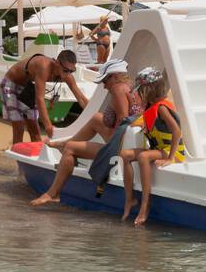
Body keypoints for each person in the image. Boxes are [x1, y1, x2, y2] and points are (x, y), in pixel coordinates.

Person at [30, 58, 135, 206]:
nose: (104, 87)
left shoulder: (117, 90)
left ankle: (53, 193)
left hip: (119, 146)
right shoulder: (129, 86)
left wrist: (111, 147)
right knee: (96, 118)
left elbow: (124, 120)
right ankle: (65, 142)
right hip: (128, 139)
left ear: (115, 76)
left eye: (105, 82)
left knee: (70, 149)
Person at [120, 67, 186, 225]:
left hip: (172, 152)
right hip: (158, 150)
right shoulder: (151, 108)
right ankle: (129, 199)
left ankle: (145, 204)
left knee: (143, 156)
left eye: (141, 90)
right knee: (125, 155)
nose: (139, 94)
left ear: (149, 90)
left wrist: (170, 158)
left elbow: (177, 132)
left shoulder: (162, 108)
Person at [3, 49, 90, 145]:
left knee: (35, 130)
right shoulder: (44, 66)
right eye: (65, 70)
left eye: (72, 70)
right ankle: (17, 152)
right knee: (19, 128)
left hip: (28, 88)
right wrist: (48, 125)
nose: (68, 74)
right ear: (57, 63)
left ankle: (35, 156)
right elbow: (39, 98)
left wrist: (94, 114)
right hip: (12, 84)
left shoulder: (67, 75)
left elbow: (81, 98)